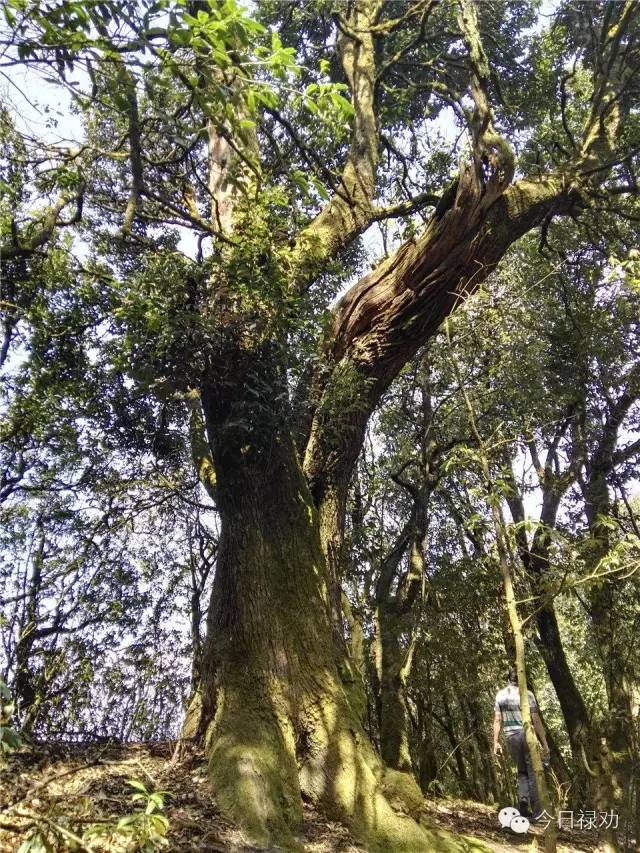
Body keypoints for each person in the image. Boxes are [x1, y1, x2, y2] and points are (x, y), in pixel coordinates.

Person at [493, 667, 550, 819]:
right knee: (533, 773)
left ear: (508, 679)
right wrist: (544, 743)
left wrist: (495, 742)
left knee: (522, 771)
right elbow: (536, 720)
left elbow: (497, 720)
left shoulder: (500, 695)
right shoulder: (527, 694)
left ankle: (523, 802)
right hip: (526, 735)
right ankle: (537, 813)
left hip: (511, 737)